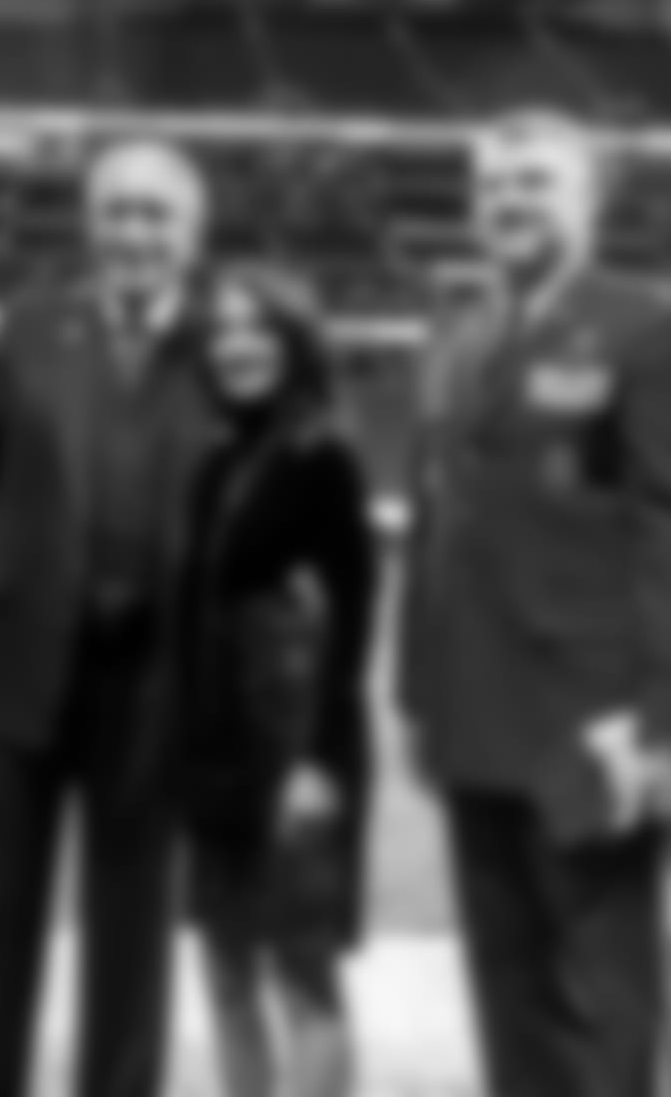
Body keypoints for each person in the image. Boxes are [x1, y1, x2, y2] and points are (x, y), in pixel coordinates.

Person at [400, 110, 671, 1097]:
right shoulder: (463, 334)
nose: (508, 203)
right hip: (474, 723)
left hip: (595, 733)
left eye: (535, 184)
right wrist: (419, 699)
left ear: (590, 201)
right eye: (493, 187)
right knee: (510, 1004)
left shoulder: (648, 326)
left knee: (605, 1012)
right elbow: (437, 527)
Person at [0, 139, 217, 1097]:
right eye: (117, 210)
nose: (133, 232)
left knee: (132, 935)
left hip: (155, 682)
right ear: (89, 223)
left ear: (193, 235)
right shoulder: (28, 328)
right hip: (18, 667)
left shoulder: (232, 343)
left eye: (155, 214)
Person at [179, 264, 374, 1097]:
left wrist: (318, 760)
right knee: (224, 967)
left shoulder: (322, 456)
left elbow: (356, 616)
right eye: (221, 329)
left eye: (257, 327)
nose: (237, 346)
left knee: (301, 973)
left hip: (295, 745)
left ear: (294, 342)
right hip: (217, 745)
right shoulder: (218, 459)